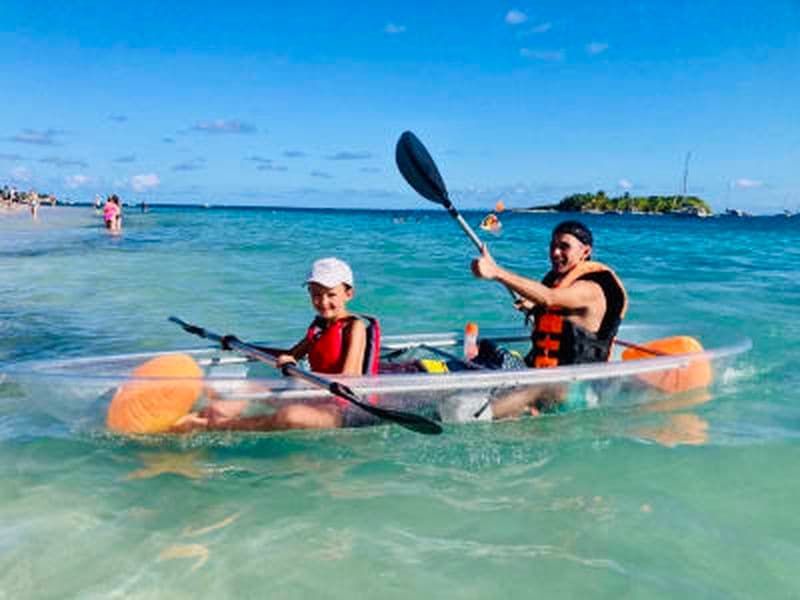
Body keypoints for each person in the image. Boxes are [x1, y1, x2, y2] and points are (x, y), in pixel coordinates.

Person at [173, 257, 380, 432]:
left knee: (291, 416)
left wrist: (304, 383)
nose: (323, 302)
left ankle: (214, 426)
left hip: (342, 409)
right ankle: (200, 416)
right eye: (316, 294)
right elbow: (289, 355)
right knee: (249, 387)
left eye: (330, 294)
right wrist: (241, 345)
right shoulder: (320, 328)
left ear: (348, 294)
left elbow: (350, 378)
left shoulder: (354, 327)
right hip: (316, 395)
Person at [471, 220, 627, 416]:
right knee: (493, 353)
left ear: (585, 252)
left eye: (564, 247)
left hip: (579, 390)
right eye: (553, 246)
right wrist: (532, 306)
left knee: (545, 385)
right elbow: (548, 303)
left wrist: (496, 273)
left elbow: (549, 298)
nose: (555, 253)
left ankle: (477, 416)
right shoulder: (558, 282)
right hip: (545, 374)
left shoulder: (591, 289)